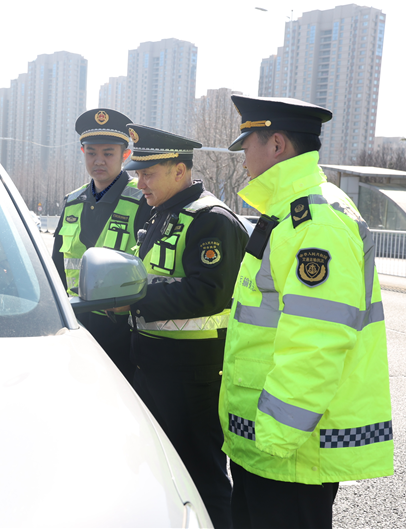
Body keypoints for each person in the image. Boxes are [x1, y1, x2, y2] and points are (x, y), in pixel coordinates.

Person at [219, 95, 393, 528]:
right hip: (267, 446)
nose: (243, 159)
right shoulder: (290, 211)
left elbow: (316, 342)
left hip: (287, 452)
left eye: (247, 146)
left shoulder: (315, 222)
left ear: (276, 144)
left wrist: (275, 438)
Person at [109, 124, 248, 529]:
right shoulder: (162, 214)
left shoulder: (211, 220)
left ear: (180, 171)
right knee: (160, 473)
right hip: (152, 366)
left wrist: (135, 299)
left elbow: (208, 293)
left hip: (192, 375)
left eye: (148, 174)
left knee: (202, 477)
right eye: (138, 174)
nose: (139, 183)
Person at [52, 108, 150, 380]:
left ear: (125, 155)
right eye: (91, 152)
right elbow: (56, 265)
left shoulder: (142, 199)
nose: (99, 160)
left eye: (108, 153)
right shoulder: (72, 201)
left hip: (121, 329)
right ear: (82, 152)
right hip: (73, 323)